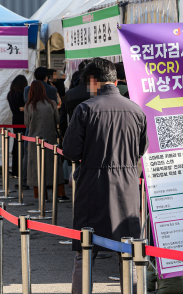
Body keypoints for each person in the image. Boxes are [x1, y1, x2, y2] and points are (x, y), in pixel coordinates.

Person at [62, 58, 147, 294]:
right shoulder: (136, 110)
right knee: (127, 251)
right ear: (115, 80)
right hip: (127, 189)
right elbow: (142, 148)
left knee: (86, 251)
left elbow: (70, 150)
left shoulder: (85, 109)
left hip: (92, 187)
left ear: (92, 82)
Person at [24, 80, 68, 201]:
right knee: (55, 167)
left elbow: (27, 123)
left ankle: (41, 195)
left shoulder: (29, 106)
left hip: (34, 140)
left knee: (36, 168)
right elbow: (57, 121)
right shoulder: (52, 103)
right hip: (51, 140)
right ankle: (60, 193)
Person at [7, 75, 27, 179]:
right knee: (24, 145)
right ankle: (22, 170)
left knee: (17, 145)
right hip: (23, 121)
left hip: (16, 120)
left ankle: (15, 170)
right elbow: (24, 108)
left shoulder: (10, 94)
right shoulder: (21, 94)